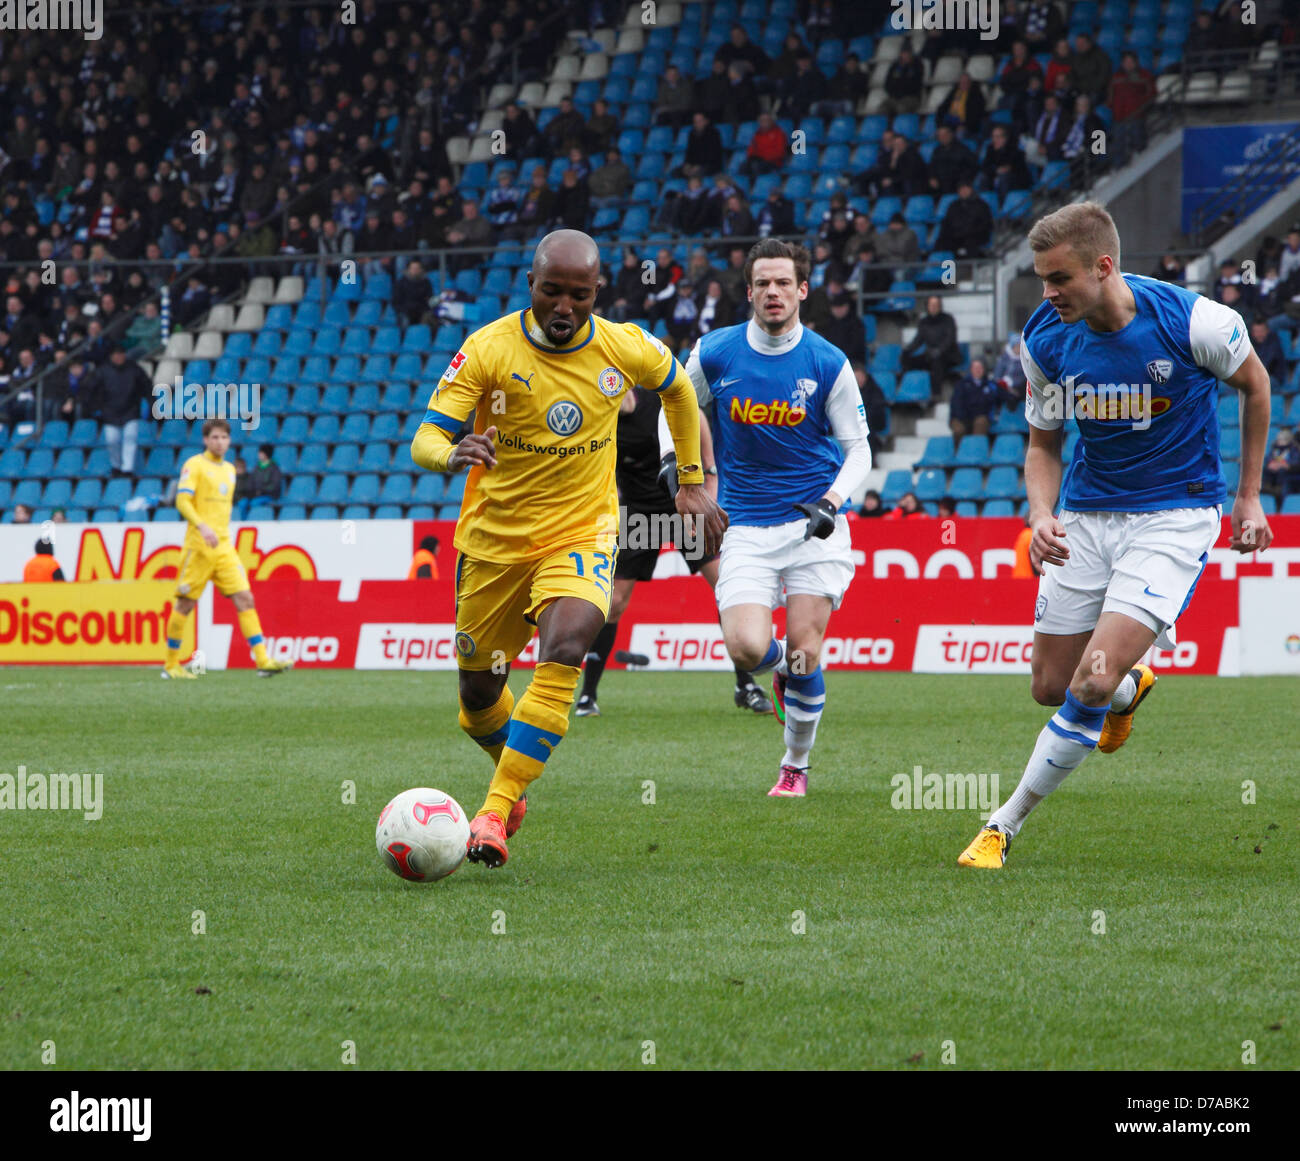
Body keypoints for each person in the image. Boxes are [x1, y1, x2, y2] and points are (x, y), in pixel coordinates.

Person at [959, 201, 1273, 869]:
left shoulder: (1197, 323)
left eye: (1059, 279)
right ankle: (1133, 688)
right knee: (1052, 685)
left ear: (1104, 267)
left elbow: (1255, 384)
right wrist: (1040, 514)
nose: (1048, 294)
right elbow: (1043, 445)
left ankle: (1002, 825)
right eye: (1042, 280)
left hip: (1172, 516)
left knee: (1090, 682)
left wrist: (1248, 496)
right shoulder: (1045, 339)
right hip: (1086, 516)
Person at [409, 229, 726, 869]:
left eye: (578, 295)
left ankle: (493, 813)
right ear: (531, 285)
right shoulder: (488, 350)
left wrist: (691, 483)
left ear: (596, 292)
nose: (563, 306)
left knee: (568, 645)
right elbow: (425, 437)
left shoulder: (624, 346)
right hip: (493, 546)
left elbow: (682, 392)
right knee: (476, 701)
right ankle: (514, 781)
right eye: (551, 291)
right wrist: (452, 453)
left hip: (582, 532)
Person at [657, 239, 871, 798]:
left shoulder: (827, 362)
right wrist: (675, 467)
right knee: (749, 649)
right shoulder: (716, 351)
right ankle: (782, 670)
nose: (773, 293)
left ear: (803, 290)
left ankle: (794, 765)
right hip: (746, 524)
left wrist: (832, 502)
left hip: (811, 524)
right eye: (762, 284)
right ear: (748, 291)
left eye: (784, 283)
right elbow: (675, 405)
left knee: (806, 648)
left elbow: (859, 449)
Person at [575, 386, 771, 718]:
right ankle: (587, 695)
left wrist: (710, 475)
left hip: (684, 509)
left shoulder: (656, 399)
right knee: (614, 603)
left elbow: (694, 416)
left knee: (727, 589)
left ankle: (746, 684)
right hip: (639, 515)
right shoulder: (597, 419)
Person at [163, 418, 295, 680]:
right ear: (205, 439)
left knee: (245, 598)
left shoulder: (230, 471)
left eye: (224, 438)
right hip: (199, 547)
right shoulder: (195, 465)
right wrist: (202, 526)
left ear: (229, 440)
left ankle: (263, 660)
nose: (219, 442)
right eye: (214, 437)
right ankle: (171, 665)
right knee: (185, 604)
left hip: (224, 547)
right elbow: (182, 500)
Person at [85, 344, 152, 477]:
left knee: (130, 438)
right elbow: (90, 390)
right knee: (112, 440)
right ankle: (116, 465)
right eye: (116, 354)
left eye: (121, 354)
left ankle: (127, 469)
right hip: (110, 411)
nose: (119, 357)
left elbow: (147, 386)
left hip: (131, 409)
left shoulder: (134, 369)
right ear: (111, 356)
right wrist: (95, 408)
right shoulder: (102, 371)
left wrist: (151, 403)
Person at [901, 295, 963, 401]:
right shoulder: (924, 322)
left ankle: (936, 394)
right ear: (927, 307)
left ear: (940, 306)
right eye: (931, 305)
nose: (933, 307)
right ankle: (906, 387)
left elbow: (950, 339)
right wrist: (907, 351)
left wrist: (939, 351)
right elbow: (918, 340)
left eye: (936, 304)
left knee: (936, 360)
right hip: (930, 355)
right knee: (907, 359)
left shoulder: (948, 319)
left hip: (948, 355)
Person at [949, 357, 999, 442]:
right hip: (961, 417)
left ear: (984, 369)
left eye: (980, 368)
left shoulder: (989, 385)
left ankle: (976, 450)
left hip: (979, 416)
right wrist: (963, 417)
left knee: (981, 422)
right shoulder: (961, 385)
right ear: (971, 369)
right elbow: (956, 403)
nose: (978, 370)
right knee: (958, 429)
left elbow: (1000, 393)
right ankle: (958, 452)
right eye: (975, 368)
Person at [1262, 429, 1300, 500]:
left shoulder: (1293, 449)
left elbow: (1295, 460)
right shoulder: (1275, 448)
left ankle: (1279, 488)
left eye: (1282, 439)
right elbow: (1269, 457)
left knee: (1282, 471)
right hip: (1274, 468)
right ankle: (1267, 486)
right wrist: (1270, 463)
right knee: (1265, 469)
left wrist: (1284, 465)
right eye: (1279, 439)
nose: (1280, 441)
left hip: (1285, 469)